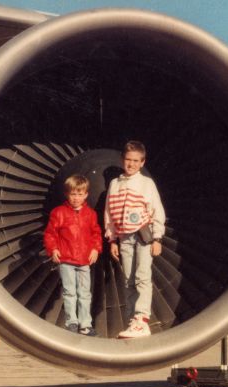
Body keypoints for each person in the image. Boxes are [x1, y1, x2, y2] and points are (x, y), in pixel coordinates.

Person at [104, 141, 166, 338]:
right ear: (123, 160)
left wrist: (157, 238)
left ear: (142, 162)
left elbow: (157, 210)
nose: (131, 164)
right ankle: (132, 320)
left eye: (135, 161)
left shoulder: (147, 184)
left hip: (143, 236)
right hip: (124, 237)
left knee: (142, 277)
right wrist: (112, 239)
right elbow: (109, 213)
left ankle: (142, 319)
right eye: (128, 160)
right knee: (128, 280)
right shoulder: (114, 184)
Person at [44, 174, 103, 336]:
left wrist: (95, 249)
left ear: (86, 195)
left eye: (80, 194)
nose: (76, 198)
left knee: (84, 293)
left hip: (84, 261)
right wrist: (53, 249)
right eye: (73, 194)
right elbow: (50, 234)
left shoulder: (90, 214)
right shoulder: (58, 213)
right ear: (67, 194)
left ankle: (85, 324)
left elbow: (96, 233)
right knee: (69, 292)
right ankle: (71, 322)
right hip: (66, 260)